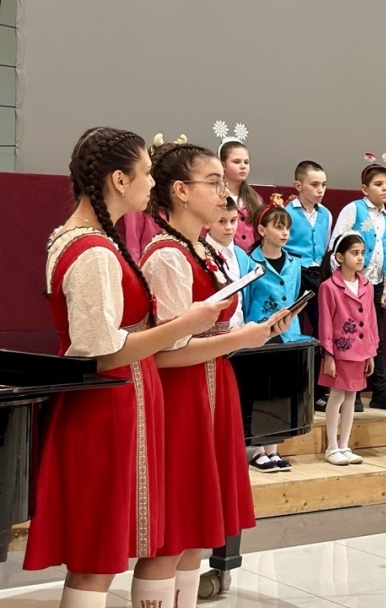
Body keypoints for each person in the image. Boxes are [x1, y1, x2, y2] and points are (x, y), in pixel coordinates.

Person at [24, 127, 226, 608]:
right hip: (107, 406)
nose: (152, 181)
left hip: (122, 401)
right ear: (119, 179)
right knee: (96, 559)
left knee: (104, 554)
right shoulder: (92, 251)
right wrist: (187, 323)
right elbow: (102, 352)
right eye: (146, 172)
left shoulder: (93, 240)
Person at [140, 136, 291, 608]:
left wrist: (255, 332)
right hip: (182, 396)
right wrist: (241, 339)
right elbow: (164, 352)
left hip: (211, 387)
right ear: (180, 191)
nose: (226, 195)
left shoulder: (202, 248)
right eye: (214, 183)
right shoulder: (167, 254)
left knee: (196, 535)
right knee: (173, 534)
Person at [244, 197, 309, 472]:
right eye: (279, 227)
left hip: (287, 333)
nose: (284, 233)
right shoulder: (251, 262)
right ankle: (257, 448)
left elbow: (293, 295)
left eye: (287, 229)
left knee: (280, 393)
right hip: (260, 333)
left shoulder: (294, 263)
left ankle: (273, 449)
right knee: (260, 390)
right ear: (262, 230)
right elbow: (246, 299)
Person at [329, 163, 386, 410]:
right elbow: (337, 243)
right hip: (351, 285)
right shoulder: (354, 210)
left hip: (375, 286)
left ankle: (379, 390)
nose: (385, 189)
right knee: (349, 336)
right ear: (364, 188)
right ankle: (352, 391)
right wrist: (341, 281)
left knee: (373, 339)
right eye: (379, 184)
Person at [317, 232, 378, 465]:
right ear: (340, 257)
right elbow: (325, 323)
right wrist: (329, 354)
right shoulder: (329, 287)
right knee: (337, 395)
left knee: (353, 396)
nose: (360, 257)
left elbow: (371, 319)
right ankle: (332, 446)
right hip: (340, 351)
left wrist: (371, 351)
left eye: (362, 253)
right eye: (354, 253)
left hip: (361, 351)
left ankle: (345, 445)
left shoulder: (367, 285)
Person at [284, 160, 332, 335]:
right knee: (294, 322)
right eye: (314, 185)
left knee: (322, 323)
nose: (320, 189)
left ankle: (317, 361)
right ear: (298, 186)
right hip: (296, 273)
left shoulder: (326, 214)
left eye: (324, 185)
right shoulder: (287, 212)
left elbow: (326, 243)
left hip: (317, 274)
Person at [206, 197, 254, 329]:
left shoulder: (242, 256)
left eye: (233, 221)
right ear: (207, 223)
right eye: (222, 221)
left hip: (239, 330)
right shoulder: (199, 253)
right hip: (210, 334)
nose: (229, 227)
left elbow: (244, 298)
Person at [219, 139, 262, 252]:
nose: (243, 166)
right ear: (223, 165)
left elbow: (258, 232)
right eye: (237, 162)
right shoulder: (215, 196)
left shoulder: (255, 197)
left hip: (250, 258)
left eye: (246, 162)